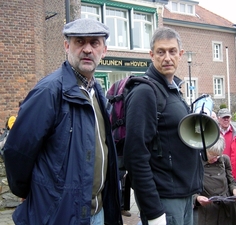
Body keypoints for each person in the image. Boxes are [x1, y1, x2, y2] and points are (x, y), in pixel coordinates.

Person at [3, 18, 122, 225]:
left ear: (104, 50)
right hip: (60, 215)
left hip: (96, 212)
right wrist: (36, 194)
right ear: (67, 46)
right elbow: (17, 151)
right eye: (79, 42)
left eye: (94, 43)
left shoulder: (97, 93)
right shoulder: (49, 92)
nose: (87, 49)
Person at [124, 27, 203, 225]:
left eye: (172, 51)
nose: (167, 57)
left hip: (183, 195)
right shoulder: (145, 92)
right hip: (165, 200)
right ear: (152, 55)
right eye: (161, 52)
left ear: (180, 54)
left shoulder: (173, 89)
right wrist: (153, 211)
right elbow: (135, 155)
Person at [193, 136, 236, 225]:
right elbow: (189, 189)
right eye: (212, 155)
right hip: (208, 212)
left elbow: (231, 180)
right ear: (204, 150)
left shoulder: (224, 160)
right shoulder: (195, 163)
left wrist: (235, 190)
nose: (215, 159)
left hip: (228, 209)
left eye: (218, 155)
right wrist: (197, 198)